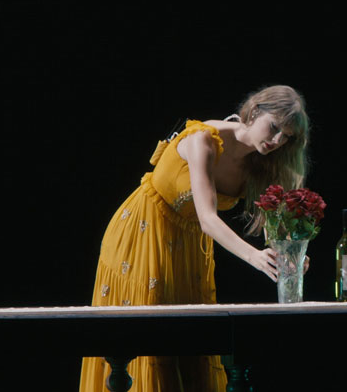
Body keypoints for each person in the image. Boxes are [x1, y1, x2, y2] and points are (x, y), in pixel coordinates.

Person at [78, 85, 311, 392]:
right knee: (148, 340)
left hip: (189, 245)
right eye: (275, 127)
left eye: (287, 136)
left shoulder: (263, 162)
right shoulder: (204, 140)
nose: (278, 140)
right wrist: (254, 257)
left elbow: (274, 227)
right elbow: (208, 218)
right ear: (255, 111)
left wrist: (290, 253)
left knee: (185, 343)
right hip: (143, 231)